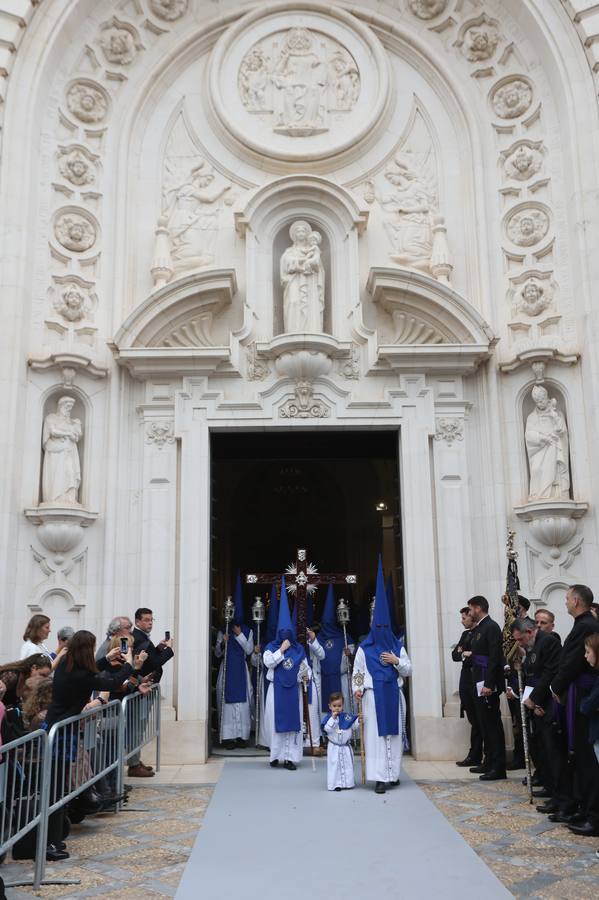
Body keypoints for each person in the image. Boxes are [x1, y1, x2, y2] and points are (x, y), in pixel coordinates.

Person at [352, 558, 412, 794]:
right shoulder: (364, 648)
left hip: (393, 695)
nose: (381, 632)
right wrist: (357, 689)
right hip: (371, 696)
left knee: (393, 736)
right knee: (376, 738)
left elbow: (408, 670)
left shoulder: (397, 647)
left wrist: (396, 662)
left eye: (384, 628)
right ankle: (379, 776)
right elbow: (358, 671)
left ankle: (392, 773)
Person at [545, 585, 599, 836]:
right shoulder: (583, 623)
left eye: (567, 599)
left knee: (586, 757)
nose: (565, 602)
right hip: (577, 694)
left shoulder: (586, 625)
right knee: (577, 755)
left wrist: (556, 687)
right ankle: (583, 805)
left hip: (584, 698)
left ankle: (592, 813)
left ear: (576, 600)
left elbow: (573, 661)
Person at [507, 618, 561, 802]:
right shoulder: (532, 646)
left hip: (545, 703)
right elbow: (532, 670)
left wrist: (536, 700)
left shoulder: (548, 641)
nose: (519, 643)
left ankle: (558, 793)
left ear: (529, 632)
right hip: (534, 702)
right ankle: (548, 785)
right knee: (539, 748)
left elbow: (549, 674)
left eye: (520, 639)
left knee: (550, 750)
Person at [263, 578, 311, 770]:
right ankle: (275, 755)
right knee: (275, 725)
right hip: (276, 691)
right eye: (282, 632)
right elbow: (268, 663)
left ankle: (290, 758)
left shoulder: (299, 650)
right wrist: (281, 651)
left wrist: (305, 677)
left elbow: (305, 669)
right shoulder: (271, 647)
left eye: (287, 631)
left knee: (292, 726)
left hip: (294, 692)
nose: (285, 634)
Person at [130, 607, 174, 776]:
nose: (149, 623)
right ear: (138, 621)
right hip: (141, 691)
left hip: (145, 689)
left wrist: (159, 647)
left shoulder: (143, 639)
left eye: (151, 620)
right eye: (146, 620)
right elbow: (154, 663)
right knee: (137, 727)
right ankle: (133, 765)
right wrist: (169, 650)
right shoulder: (140, 639)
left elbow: (150, 658)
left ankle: (135, 760)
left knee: (140, 727)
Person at [467, 595, 506, 781]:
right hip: (478, 681)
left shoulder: (491, 627)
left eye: (471, 609)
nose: (469, 612)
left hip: (486, 683)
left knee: (492, 725)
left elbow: (494, 657)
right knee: (484, 723)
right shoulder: (479, 629)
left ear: (479, 608)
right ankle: (488, 760)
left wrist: (490, 684)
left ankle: (498, 766)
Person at [215, 575, 254, 750]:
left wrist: (239, 635)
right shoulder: (222, 631)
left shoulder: (248, 630)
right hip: (227, 669)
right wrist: (223, 642)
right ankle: (229, 737)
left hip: (241, 671)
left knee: (243, 703)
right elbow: (217, 654)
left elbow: (249, 650)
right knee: (227, 704)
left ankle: (242, 736)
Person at [452, 606, 483, 768]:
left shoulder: (481, 632)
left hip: (477, 680)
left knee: (480, 720)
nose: (462, 621)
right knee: (473, 718)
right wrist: (464, 653)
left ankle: (477, 754)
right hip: (465, 681)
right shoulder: (465, 635)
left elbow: (478, 656)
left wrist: (466, 653)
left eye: (464, 618)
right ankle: (475, 754)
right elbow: (455, 655)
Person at [318, 585, 355, 717]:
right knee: (324, 708)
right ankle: (325, 733)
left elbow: (352, 659)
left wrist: (349, 655)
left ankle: (346, 732)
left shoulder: (345, 636)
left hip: (341, 679)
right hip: (323, 679)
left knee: (343, 708)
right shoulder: (318, 638)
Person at [322, 692, 358, 791]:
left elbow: (354, 725)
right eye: (334, 706)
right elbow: (327, 729)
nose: (337, 708)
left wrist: (360, 720)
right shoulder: (328, 718)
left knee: (347, 766)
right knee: (335, 766)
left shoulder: (347, 717)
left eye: (339, 706)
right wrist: (333, 719)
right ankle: (336, 784)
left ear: (343, 706)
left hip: (345, 747)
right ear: (330, 706)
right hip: (334, 747)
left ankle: (347, 783)